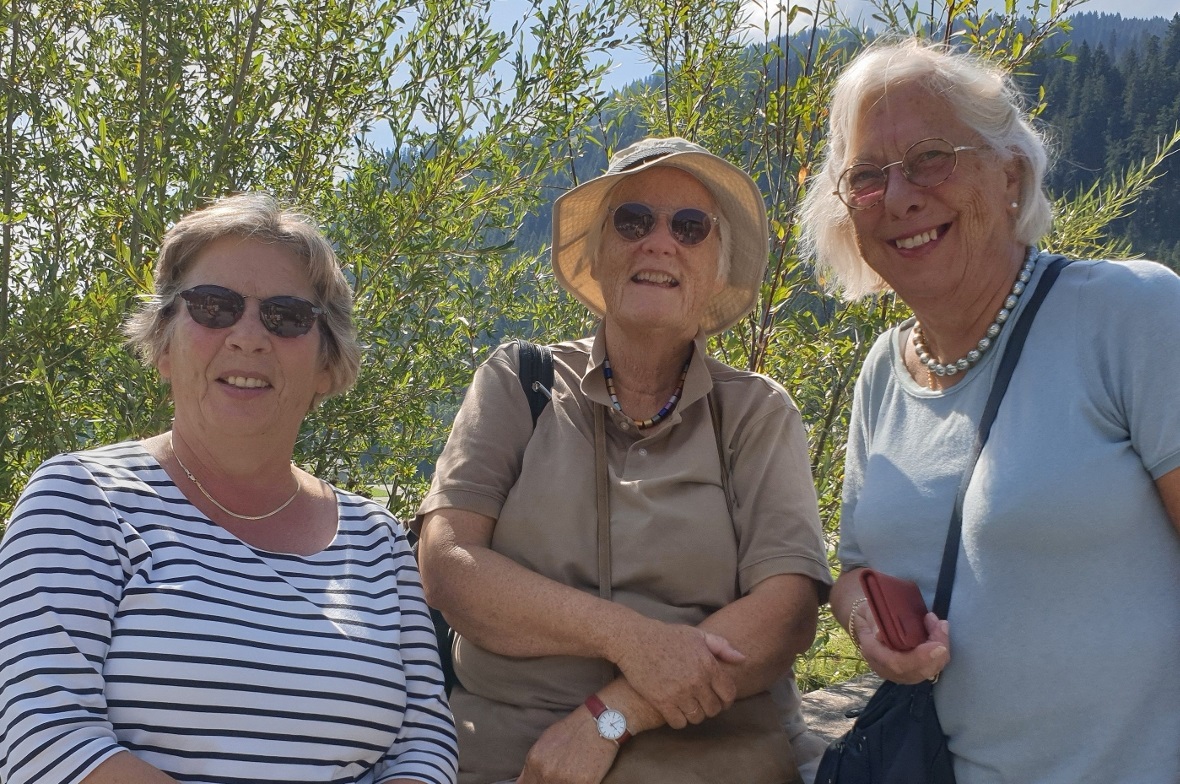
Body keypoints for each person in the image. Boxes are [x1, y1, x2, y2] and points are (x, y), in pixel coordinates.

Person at [799, 38, 1180, 783]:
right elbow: (857, 571)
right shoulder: (882, 372)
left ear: (1010, 174)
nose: (902, 196)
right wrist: (866, 624)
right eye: (868, 177)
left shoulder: (1130, 314)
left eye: (932, 157)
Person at [0, 193, 458, 784]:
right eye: (214, 307)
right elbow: (43, 740)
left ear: (327, 362)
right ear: (163, 344)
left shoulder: (378, 540)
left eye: (287, 316)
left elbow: (424, 745)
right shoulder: (78, 501)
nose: (247, 336)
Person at [415, 137, 833, 784]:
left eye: (690, 227)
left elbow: (786, 613)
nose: (660, 243)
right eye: (632, 220)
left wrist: (611, 716)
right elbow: (446, 565)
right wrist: (628, 638)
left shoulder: (757, 414)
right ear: (597, 252)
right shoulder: (516, 383)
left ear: (717, 269)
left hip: (707, 760)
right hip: (507, 765)